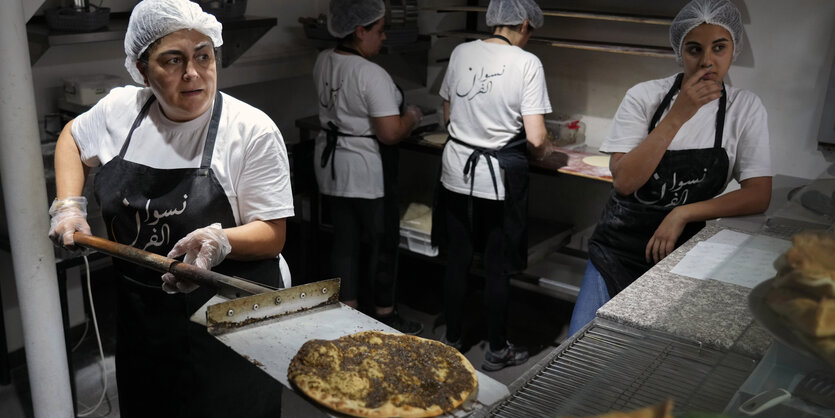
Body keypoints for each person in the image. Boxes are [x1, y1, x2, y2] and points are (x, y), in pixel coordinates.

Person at [47, 0, 293, 416]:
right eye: (173, 60)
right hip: (145, 320)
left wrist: (220, 241)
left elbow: (272, 235)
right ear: (142, 69)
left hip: (232, 320)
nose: (193, 72)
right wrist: (69, 204)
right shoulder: (122, 110)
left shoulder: (250, 130)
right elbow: (72, 135)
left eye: (203, 56)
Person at [568, 0, 772, 335]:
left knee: (646, 360)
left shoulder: (744, 108)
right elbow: (624, 182)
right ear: (680, 52)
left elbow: (758, 194)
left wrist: (682, 213)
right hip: (616, 252)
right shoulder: (645, 97)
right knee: (580, 351)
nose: (707, 60)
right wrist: (678, 115)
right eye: (695, 49)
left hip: (684, 257)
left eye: (719, 47)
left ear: (734, 48)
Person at [433, 0, 552, 371]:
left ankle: (451, 338)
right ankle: (497, 351)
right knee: (497, 266)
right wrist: (551, 150)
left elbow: (449, 113)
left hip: (456, 173)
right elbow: (535, 139)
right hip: (497, 182)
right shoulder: (527, 63)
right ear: (526, 23)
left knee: (458, 258)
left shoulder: (461, 51)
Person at [313, 0, 424, 334]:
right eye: (378, 30)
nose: (383, 36)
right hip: (364, 167)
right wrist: (413, 117)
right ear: (359, 31)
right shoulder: (370, 73)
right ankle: (385, 314)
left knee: (344, 240)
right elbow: (390, 133)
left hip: (332, 163)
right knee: (381, 242)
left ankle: (347, 315)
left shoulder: (323, 60)